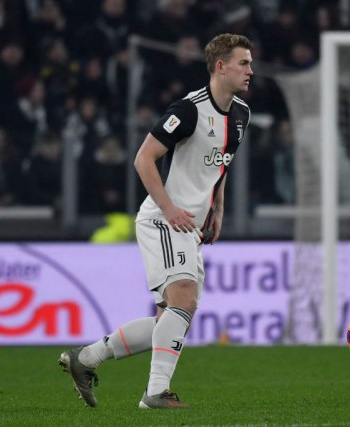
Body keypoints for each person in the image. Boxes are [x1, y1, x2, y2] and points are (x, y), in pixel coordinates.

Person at [58, 33, 253, 409]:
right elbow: (143, 158)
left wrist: (218, 208)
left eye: (250, 63)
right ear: (220, 66)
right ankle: (156, 392)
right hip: (164, 220)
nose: (250, 71)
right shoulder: (189, 110)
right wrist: (169, 209)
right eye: (243, 63)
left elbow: (221, 164)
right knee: (183, 297)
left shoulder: (242, 114)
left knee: (173, 317)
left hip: (191, 227)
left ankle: (87, 358)